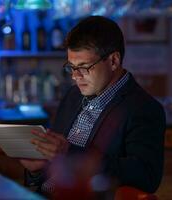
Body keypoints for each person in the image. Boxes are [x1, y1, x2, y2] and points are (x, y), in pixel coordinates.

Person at [19, 15, 166, 198]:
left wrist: (71, 154)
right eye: (71, 67)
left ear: (113, 61)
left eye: (84, 67)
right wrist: (37, 170)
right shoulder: (72, 96)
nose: (75, 76)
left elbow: (146, 177)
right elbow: (54, 169)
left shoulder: (143, 108)